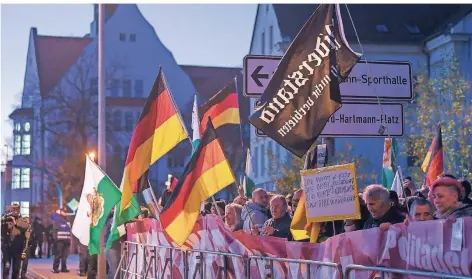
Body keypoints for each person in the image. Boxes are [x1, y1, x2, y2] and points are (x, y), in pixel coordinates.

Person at [1, 204, 30, 279]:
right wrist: (3, 222)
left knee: (16, 269)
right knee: (6, 267)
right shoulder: (5, 219)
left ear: (19, 210)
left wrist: (15, 223)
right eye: (13, 210)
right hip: (7, 247)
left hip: (17, 248)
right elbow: (2, 233)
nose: (14, 211)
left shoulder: (23, 220)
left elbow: (25, 226)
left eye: (16, 210)